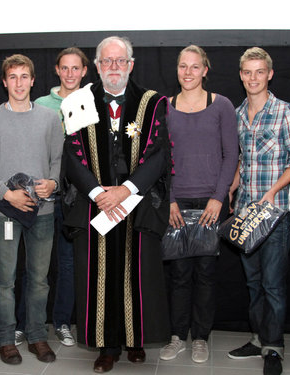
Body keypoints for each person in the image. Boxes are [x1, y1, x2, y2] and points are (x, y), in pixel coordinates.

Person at [62, 36, 171, 373]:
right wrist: (98, 193)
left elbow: (160, 154)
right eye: (106, 61)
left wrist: (125, 190)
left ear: (131, 65)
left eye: (120, 61)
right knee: (100, 275)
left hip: (135, 203)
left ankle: (135, 339)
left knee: (138, 274)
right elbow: (72, 155)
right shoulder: (79, 101)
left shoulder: (152, 103)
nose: (113, 67)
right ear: (96, 66)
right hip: (96, 204)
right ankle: (107, 346)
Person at [0, 54, 63, 365]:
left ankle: (37, 335)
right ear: (4, 82)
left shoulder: (50, 119)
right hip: (5, 213)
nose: (19, 83)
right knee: (5, 279)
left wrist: (52, 183)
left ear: (33, 80)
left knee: (39, 279)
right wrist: (7, 195)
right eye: (13, 77)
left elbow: (58, 163)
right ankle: (5, 338)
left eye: (24, 76)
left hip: (43, 214)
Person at [227, 47, 290, 375]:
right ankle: (259, 338)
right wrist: (231, 187)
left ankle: (274, 347)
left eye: (260, 71)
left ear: (269, 74)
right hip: (245, 212)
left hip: (274, 215)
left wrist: (271, 194)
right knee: (254, 282)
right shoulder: (238, 113)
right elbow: (242, 158)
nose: (253, 77)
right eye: (248, 72)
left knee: (273, 283)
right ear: (241, 75)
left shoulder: (286, 112)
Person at [159, 45, 238, 363]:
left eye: (195, 67)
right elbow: (159, 159)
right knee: (179, 274)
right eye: (182, 66)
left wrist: (218, 199)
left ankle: (201, 338)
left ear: (206, 70)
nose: (188, 72)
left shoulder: (222, 105)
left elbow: (231, 154)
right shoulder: (164, 107)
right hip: (176, 203)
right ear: (176, 70)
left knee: (205, 273)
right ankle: (178, 335)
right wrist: (170, 200)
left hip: (210, 203)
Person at [12, 47, 88, 347]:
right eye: (64, 68)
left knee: (68, 264)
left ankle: (62, 322)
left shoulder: (91, 103)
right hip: (41, 195)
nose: (70, 74)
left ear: (84, 71)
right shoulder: (40, 103)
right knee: (33, 265)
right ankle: (24, 323)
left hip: (76, 197)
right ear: (56, 70)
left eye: (75, 68)